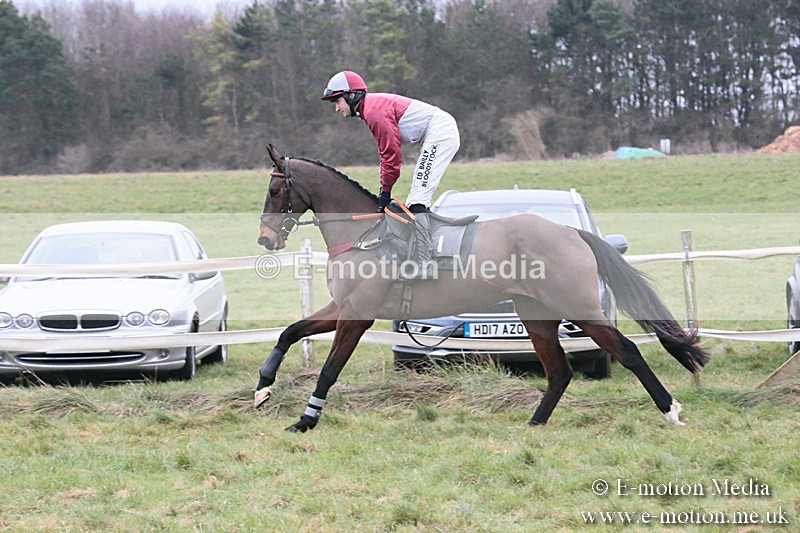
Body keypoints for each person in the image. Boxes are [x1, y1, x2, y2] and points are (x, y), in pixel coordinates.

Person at [321, 70, 460, 280]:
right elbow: (389, 154)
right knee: (416, 200)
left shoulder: (374, 111)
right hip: (436, 132)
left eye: (337, 101)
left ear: (351, 95)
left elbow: (391, 154)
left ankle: (425, 263)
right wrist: (384, 191)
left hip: (440, 133)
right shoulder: (370, 108)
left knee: (417, 201)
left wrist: (385, 192)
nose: (337, 108)